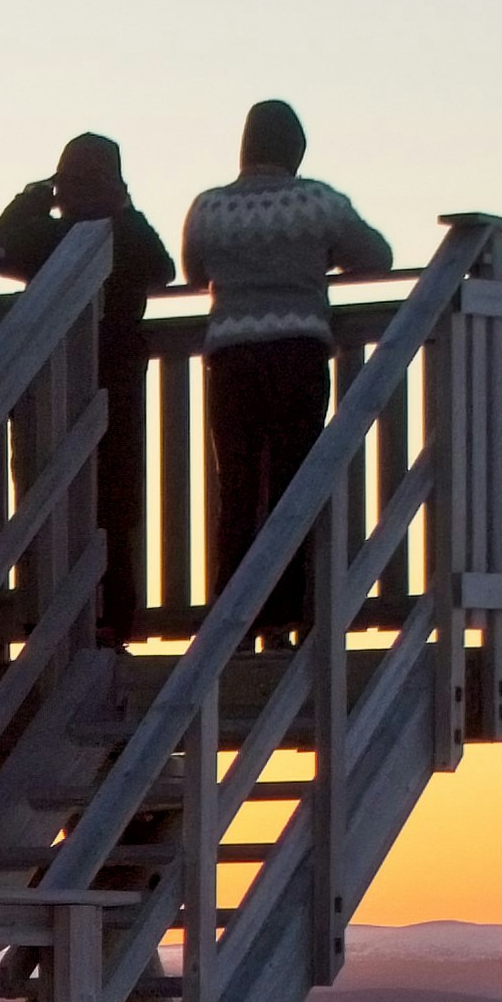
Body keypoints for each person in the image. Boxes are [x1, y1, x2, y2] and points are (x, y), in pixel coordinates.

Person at [181, 100, 392, 651]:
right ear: (295, 148)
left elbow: (192, 270)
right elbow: (377, 258)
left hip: (230, 358)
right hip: (296, 351)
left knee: (238, 484)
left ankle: (234, 611)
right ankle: (284, 610)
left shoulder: (209, 207)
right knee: (294, 482)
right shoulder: (316, 201)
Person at [0, 131, 175, 625]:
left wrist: (30, 199)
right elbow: (163, 267)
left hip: (48, 386)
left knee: (43, 498)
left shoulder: (44, 238)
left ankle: (45, 612)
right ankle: (111, 617)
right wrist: (123, 205)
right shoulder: (125, 235)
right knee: (115, 500)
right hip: (117, 385)